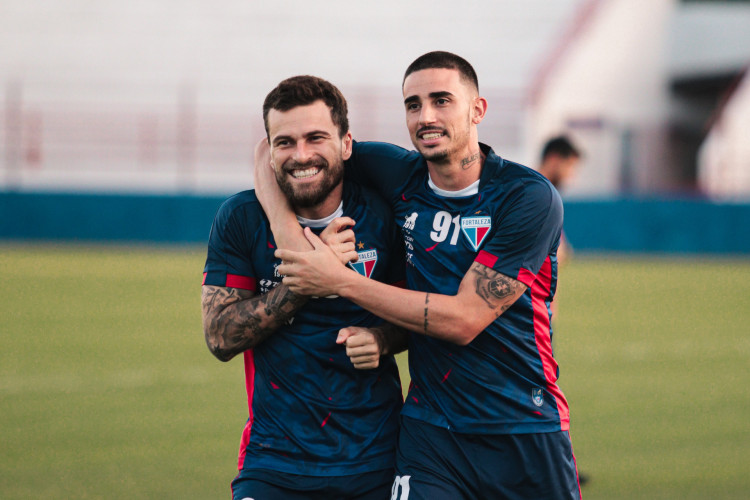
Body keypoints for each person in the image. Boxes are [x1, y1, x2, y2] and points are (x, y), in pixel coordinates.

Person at [255, 52, 581, 499]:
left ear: (477, 109)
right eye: (413, 104)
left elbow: (464, 320)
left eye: (442, 101)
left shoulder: (526, 197)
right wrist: (287, 231)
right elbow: (273, 149)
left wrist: (340, 280)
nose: (425, 116)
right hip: (431, 433)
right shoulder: (398, 174)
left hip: (522, 425)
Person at [201, 75, 408, 500]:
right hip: (274, 461)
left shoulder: (384, 215)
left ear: (346, 144)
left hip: (377, 458)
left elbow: (417, 315)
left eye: (316, 138)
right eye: (285, 142)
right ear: (270, 149)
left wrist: (383, 339)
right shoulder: (241, 217)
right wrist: (309, 280)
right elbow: (220, 336)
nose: (301, 155)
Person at [537, 135, 581, 268]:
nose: (571, 174)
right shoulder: (537, 193)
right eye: (569, 165)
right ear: (554, 159)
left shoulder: (544, 193)